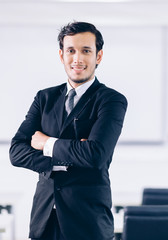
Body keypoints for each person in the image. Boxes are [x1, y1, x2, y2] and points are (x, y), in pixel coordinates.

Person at [9, 21, 128, 240]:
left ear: (98, 56)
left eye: (86, 51)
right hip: (44, 220)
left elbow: (95, 154)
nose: (78, 59)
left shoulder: (111, 100)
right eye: (71, 51)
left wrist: (47, 144)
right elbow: (16, 152)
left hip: (87, 222)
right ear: (61, 55)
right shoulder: (44, 98)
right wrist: (67, 158)